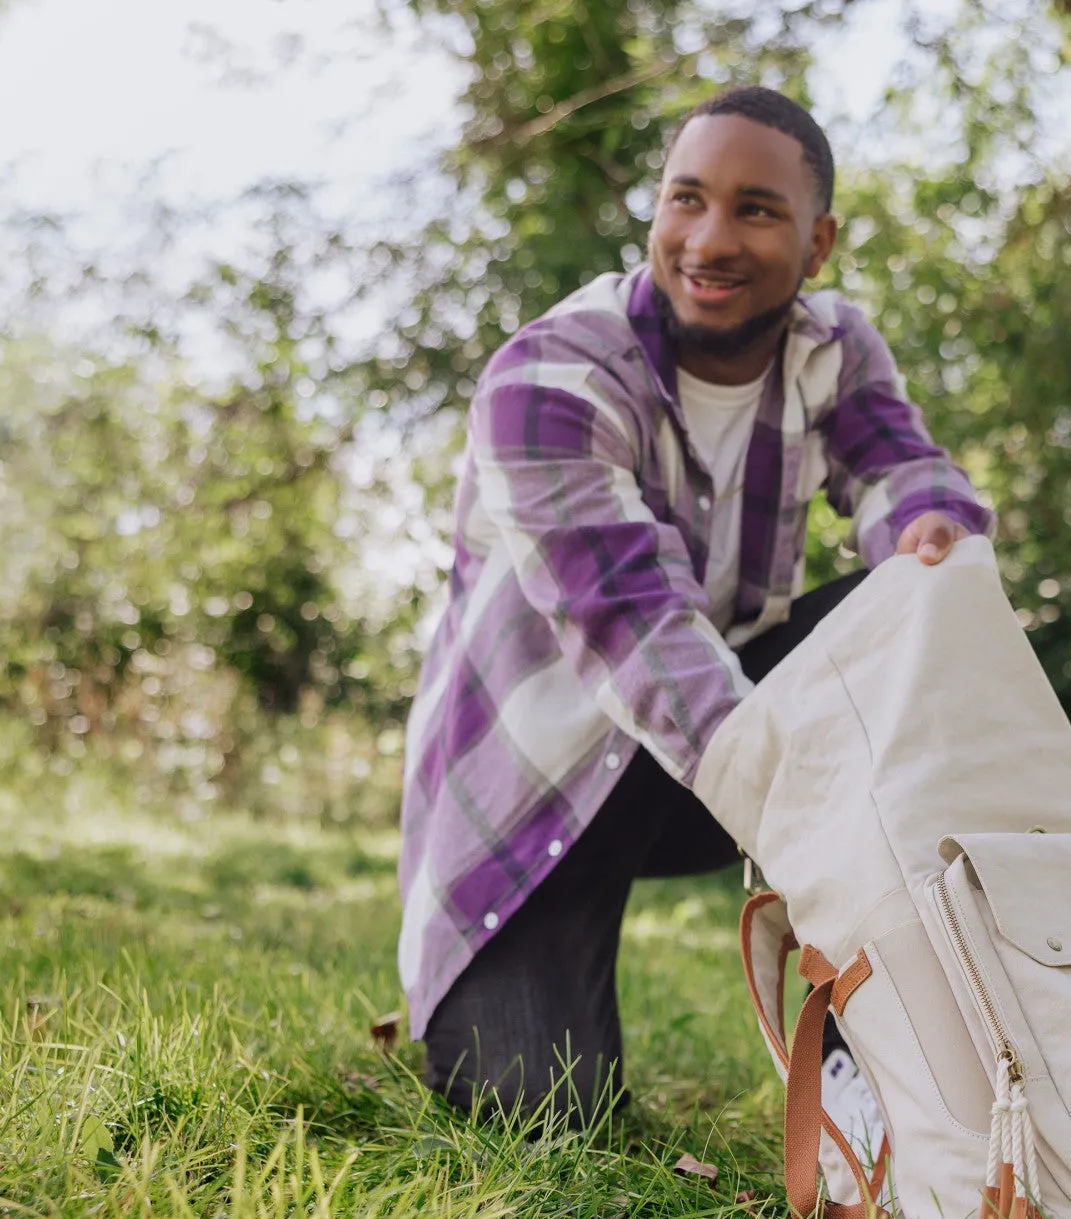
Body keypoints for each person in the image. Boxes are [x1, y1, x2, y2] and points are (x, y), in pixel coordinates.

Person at [397, 85, 994, 1125]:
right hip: (545, 782)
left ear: (817, 244)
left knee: (919, 606)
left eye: (755, 210)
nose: (709, 239)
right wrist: (808, 810)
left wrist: (933, 540)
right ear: (655, 215)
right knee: (545, 1111)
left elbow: (906, 476)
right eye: (686, 200)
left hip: (709, 746)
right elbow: (638, 632)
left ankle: (880, 1073)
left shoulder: (832, 350)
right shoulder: (550, 375)